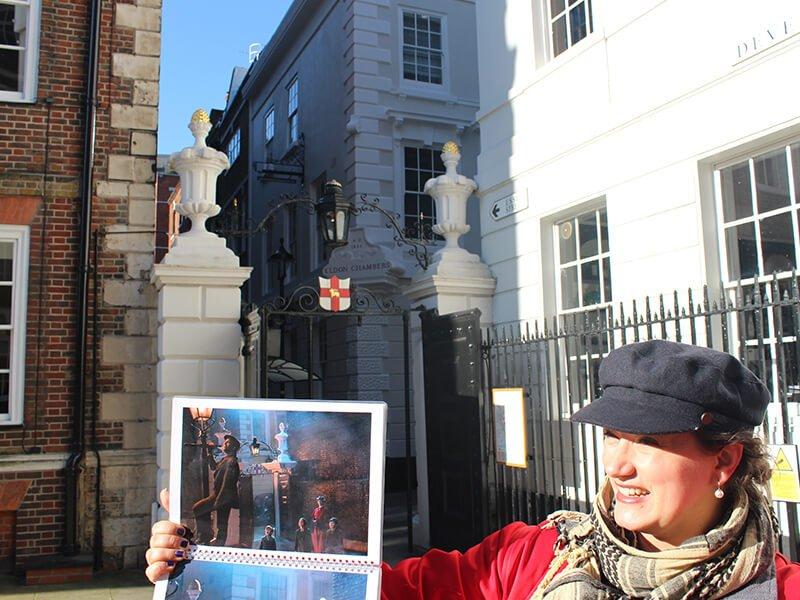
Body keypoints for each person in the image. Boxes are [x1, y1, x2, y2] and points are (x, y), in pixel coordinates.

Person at [145, 341, 800, 597]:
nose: (620, 465)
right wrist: (207, 556)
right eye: (613, 436)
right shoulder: (534, 555)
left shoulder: (781, 588)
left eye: (651, 442)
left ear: (726, 459)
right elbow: (378, 592)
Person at [191, 434, 240, 546]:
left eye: (227, 442)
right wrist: (209, 453)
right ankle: (205, 536)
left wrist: (219, 500)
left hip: (224, 497)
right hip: (218, 495)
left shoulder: (231, 462)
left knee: (221, 523)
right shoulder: (226, 460)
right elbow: (214, 467)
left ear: (233, 447)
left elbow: (227, 483)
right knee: (199, 509)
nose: (224, 444)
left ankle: (218, 544)